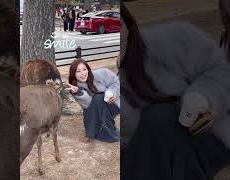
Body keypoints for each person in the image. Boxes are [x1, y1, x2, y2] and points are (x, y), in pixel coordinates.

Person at [120, 2, 230, 180]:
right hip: (144, 162)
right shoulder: (98, 81)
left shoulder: (172, 40)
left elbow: (221, 70)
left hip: (202, 146)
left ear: (128, 24)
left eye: (118, 25)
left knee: (160, 117)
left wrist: (203, 97)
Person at [66, 58, 120, 143]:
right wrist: (78, 92)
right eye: (78, 71)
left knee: (99, 98)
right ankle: (104, 129)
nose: (82, 73)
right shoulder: (75, 87)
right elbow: (88, 103)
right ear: (74, 74)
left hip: (113, 103)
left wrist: (112, 93)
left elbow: (116, 82)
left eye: (84, 69)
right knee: (97, 99)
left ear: (88, 70)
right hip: (96, 109)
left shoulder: (102, 73)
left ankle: (106, 129)